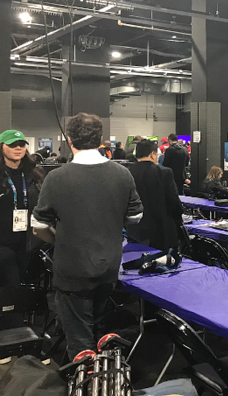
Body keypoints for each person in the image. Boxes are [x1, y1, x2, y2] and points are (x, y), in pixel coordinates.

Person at [31, 113, 143, 360]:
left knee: (80, 343)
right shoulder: (122, 174)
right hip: (109, 266)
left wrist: (58, 239)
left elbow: (38, 225)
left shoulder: (57, 177)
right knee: (100, 329)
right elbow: (135, 216)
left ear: (69, 140)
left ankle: (84, 379)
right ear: (100, 139)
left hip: (72, 270)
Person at [0, 130, 44, 290]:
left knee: (27, 290)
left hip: (28, 243)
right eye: (12, 145)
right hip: (3, 245)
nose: (18, 148)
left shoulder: (35, 175)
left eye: (21, 145)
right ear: (2, 147)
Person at [127, 140, 183, 251]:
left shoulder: (127, 172)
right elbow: (173, 201)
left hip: (135, 231)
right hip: (161, 231)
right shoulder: (164, 172)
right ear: (153, 154)